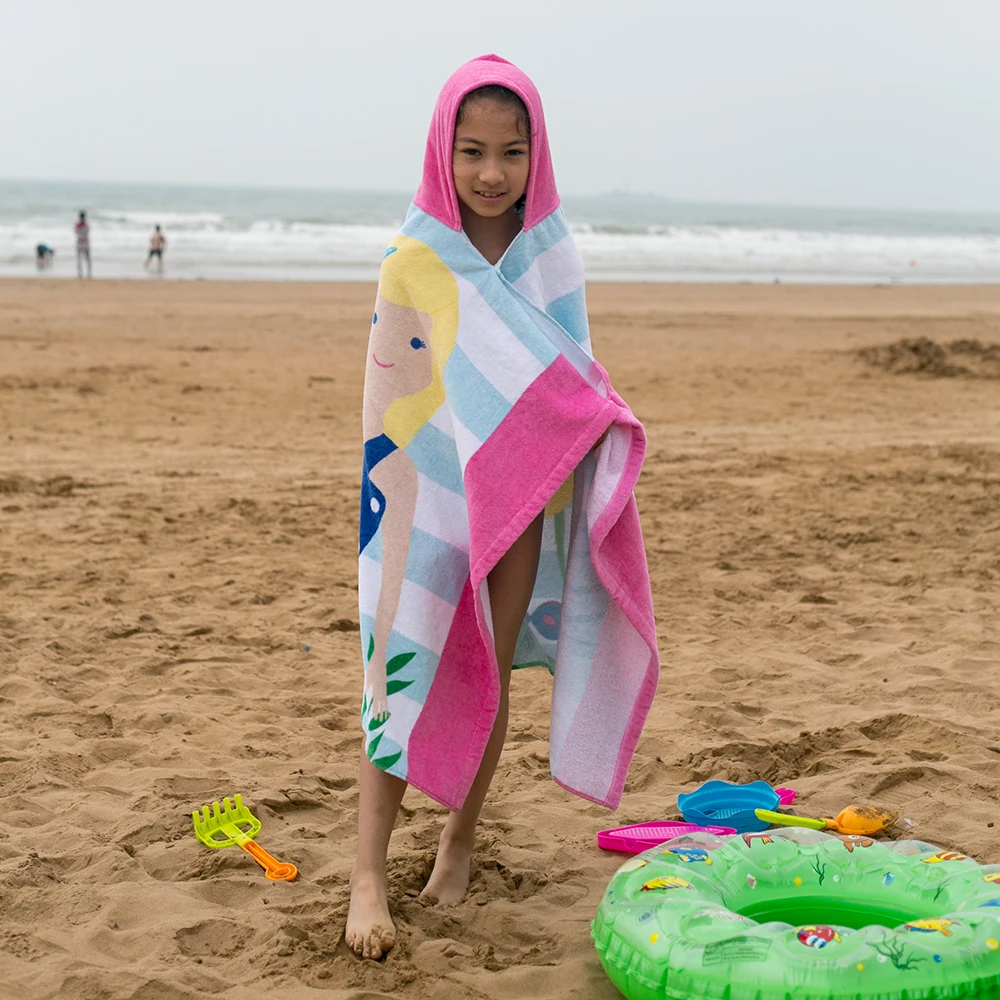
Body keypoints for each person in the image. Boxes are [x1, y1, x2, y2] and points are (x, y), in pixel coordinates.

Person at [346, 55, 659, 961]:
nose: (491, 172)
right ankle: (367, 875)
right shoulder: (414, 259)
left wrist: (598, 419)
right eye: (473, 150)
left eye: (512, 152)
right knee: (398, 672)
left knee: (488, 669)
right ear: (442, 151)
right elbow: (392, 406)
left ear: (537, 155)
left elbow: (568, 380)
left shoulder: (550, 255)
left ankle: (459, 842)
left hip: (522, 499)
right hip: (425, 497)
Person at [75, 211, 91, 279]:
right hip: (85, 243)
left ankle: (80, 274)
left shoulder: (78, 225)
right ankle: (88, 274)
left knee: (80, 259)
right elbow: (87, 231)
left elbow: (76, 232)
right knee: (87, 259)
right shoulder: (86, 224)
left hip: (80, 243)